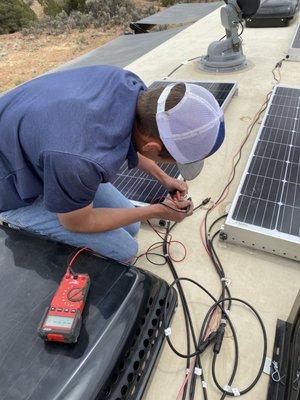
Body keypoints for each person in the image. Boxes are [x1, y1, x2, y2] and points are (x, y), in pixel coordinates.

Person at [0, 66, 225, 262]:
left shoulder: (129, 86)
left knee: (132, 226)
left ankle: (60, 190)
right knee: (125, 252)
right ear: (152, 147)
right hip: (11, 188)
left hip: (42, 148)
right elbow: (75, 222)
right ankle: (18, 221)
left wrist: (165, 178)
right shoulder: (80, 160)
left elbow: (136, 139)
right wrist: (156, 210)